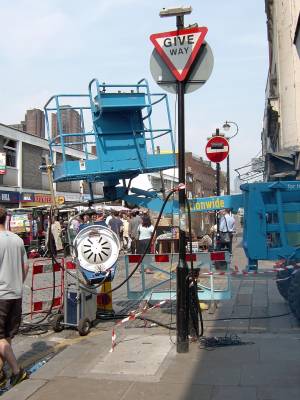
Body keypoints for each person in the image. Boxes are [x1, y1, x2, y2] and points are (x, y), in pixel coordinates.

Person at [0, 207, 29, 387]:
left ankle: (17, 372)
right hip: (15, 295)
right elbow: (25, 267)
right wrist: (17, 283)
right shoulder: (17, 239)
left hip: (0, 295)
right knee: (6, 337)